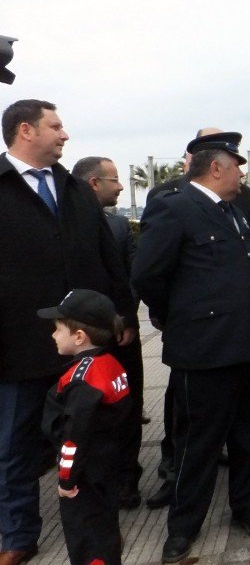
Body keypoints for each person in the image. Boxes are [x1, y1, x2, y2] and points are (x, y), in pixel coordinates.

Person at [0, 100, 135, 565]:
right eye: (55, 126)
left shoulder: (76, 189)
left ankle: (98, 530)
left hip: (84, 347)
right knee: (14, 446)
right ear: (25, 130)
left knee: (92, 443)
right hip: (16, 348)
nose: (65, 135)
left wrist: (121, 311)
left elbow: (107, 256)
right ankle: (16, 536)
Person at [132, 131, 250, 563]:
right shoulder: (176, 208)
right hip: (205, 349)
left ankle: (249, 509)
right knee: (198, 442)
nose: (242, 174)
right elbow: (146, 275)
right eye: (237, 166)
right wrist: (176, 314)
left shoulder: (236, 211)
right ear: (217, 168)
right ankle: (183, 526)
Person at [39, 290, 131, 565]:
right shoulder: (111, 365)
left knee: (89, 546)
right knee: (103, 538)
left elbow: (74, 436)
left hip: (84, 480)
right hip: (105, 470)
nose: (53, 335)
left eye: (58, 328)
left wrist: (66, 480)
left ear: (79, 337)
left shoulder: (84, 377)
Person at [71, 156, 145, 509]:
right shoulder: (63, 225)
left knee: (129, 408)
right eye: (113, 180)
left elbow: (133, 276)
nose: (120, 186)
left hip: (122, 337)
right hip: (79, 343)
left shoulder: (118, 227)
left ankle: (127, 479)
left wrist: (125, 318)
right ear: (92, 184)